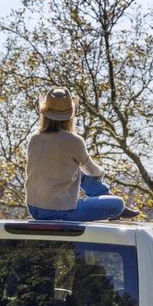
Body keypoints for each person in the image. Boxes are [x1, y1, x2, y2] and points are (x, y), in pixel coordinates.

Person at [25, 87, 139, 222]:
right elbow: (91, 170)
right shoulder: (74, 141)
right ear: (70, 116)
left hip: (34, 208)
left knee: (79, 173)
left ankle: (110, 198)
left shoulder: (34, 138)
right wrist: (101, 172)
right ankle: (118, 206)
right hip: (61, 211)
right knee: (117, 204)